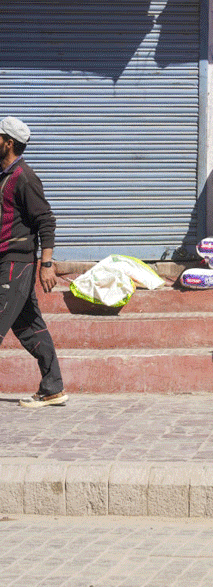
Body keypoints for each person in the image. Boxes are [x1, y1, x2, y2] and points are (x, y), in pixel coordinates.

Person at [0, 117, 67, 408]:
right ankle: (53, 388)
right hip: (9, 261)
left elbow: (45, 220)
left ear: (9, 143)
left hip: (16, 261)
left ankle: (53, 387)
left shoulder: (25, 178)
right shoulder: (4, 174)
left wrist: (47, 264)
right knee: (29, 326)